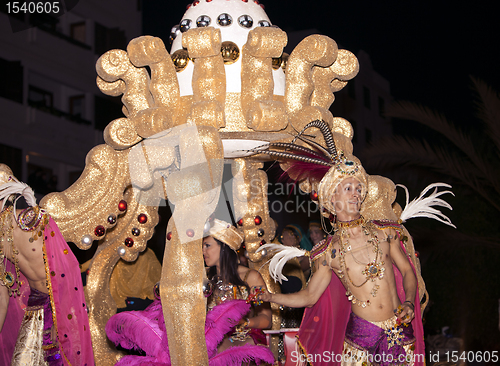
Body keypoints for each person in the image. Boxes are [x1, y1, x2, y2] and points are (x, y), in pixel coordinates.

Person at [105, 219, 274, 365]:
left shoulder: (250, 278)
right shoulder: (203, 278)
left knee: (212, 352)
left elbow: (267, 320)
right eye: (201, 246)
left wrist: (243, 323)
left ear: (224, 246)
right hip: (206, 339)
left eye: (207, 245)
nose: (202, 251)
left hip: (242, 337)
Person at [0, 164, 94, 366]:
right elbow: (2, 294)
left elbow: (65, 268)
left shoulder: (36, 220)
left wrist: (60, 318)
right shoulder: (27, 222)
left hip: (59, 303)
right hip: (34, 307)